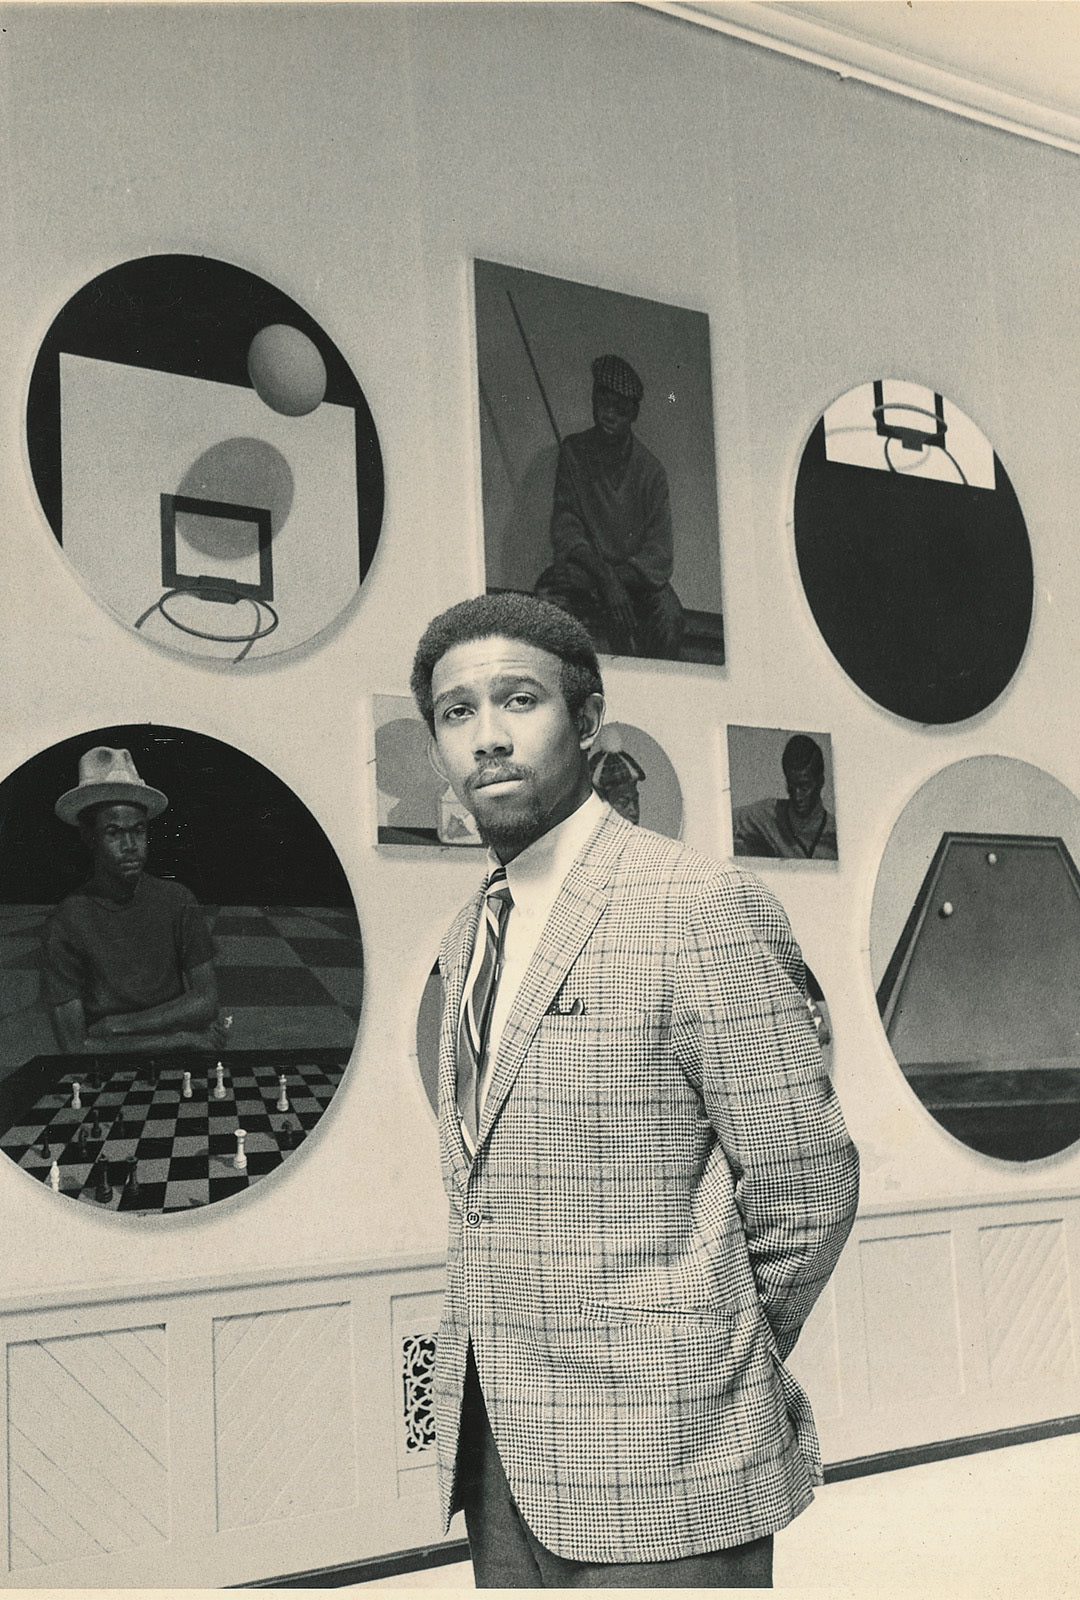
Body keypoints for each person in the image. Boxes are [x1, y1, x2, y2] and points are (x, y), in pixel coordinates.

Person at [410, 593, 859, 1588]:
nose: (485, 737)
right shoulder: (467, 934)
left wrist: (705, 1351)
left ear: (588, 717)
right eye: (455, 712)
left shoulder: (697, 904)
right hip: (502, 1460)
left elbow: (805, 1177)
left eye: (517, 700)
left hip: (672, 1459)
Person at [44, 746, 224, 1055]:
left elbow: (207, 1001)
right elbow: (75, 1047)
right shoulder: (66, 921)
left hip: (164, 1061)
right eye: (113, 832)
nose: (130, 845)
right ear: (89, 837)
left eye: (138, 830)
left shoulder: (178, 900)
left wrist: (116, 1027)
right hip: (110, 1070)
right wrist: (178, 1038)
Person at [534, 354, 685, 659]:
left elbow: (659, 554)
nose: (609, 415)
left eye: (620, 409)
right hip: (587, 572)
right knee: (548, 603)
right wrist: (604, 578)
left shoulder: (651, 471)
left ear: (633, 414)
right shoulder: (573, 451)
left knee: (670, 617)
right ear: (593, 399)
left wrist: (616, 582)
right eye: (603, 403)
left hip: (635, 580)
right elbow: (565, 528)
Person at [732, 734, 838, 861]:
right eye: (791, 787)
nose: (797, 796)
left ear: (820, 782)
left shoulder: (836, 833)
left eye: (804, 787)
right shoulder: (768, 815)